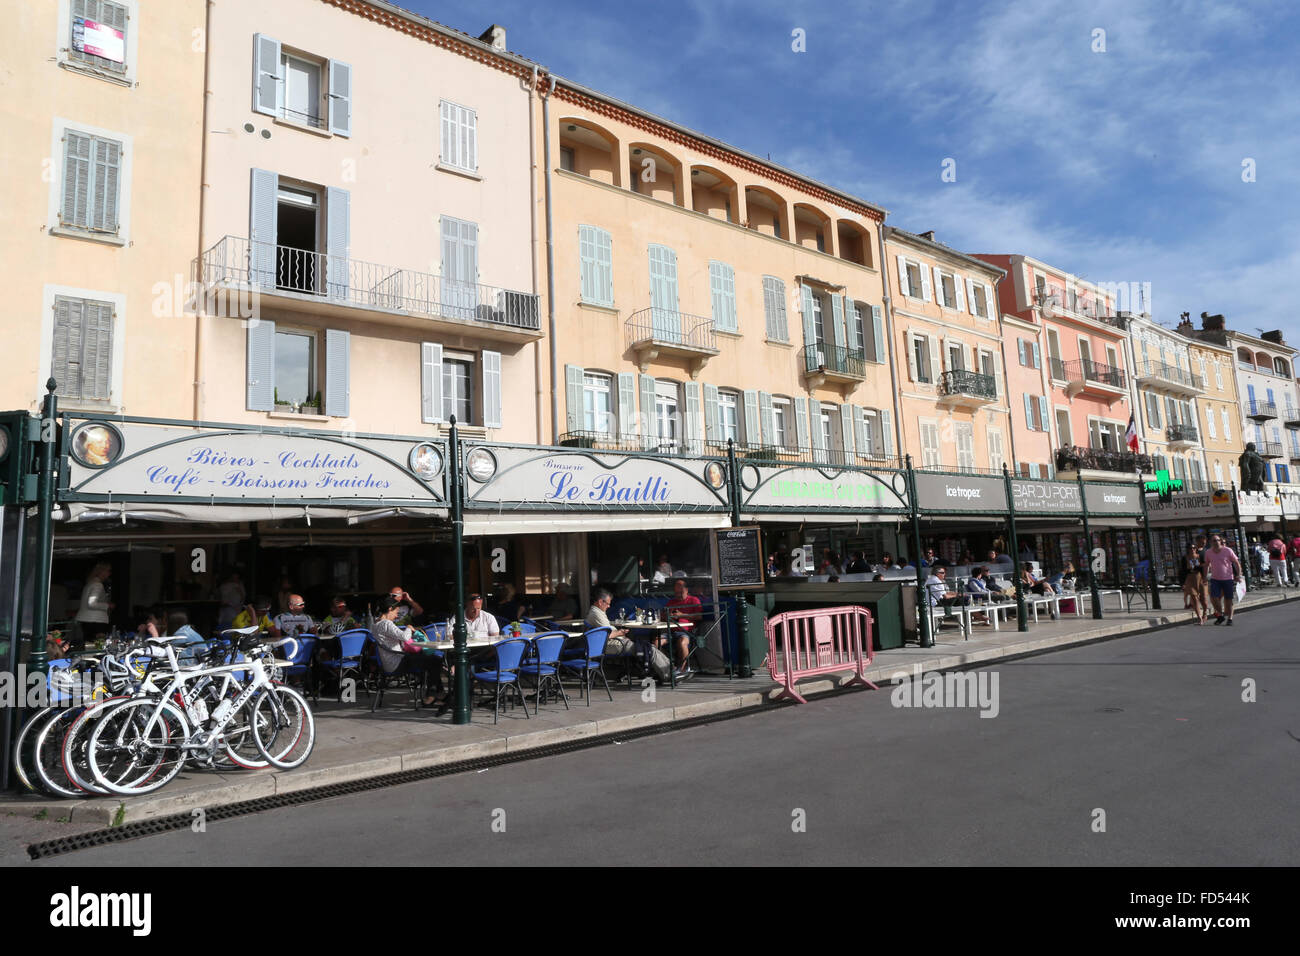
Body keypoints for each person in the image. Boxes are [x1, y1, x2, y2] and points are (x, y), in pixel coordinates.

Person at [371, 595, 443, 709]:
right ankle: (432, 697)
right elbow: (405, 637)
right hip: (397, 662)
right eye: (396, 612)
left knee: (430, 660)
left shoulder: (375, 625)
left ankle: (437, 695)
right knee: (435, 660)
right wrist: (409, 627)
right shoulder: (386, 624)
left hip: (388, 663)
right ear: (390, 609)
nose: (396, 616)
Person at [585, 588, 671, 683]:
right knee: (648, 649)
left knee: (648, 647)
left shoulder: (598, 612)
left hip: (614, 643)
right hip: (610, 645)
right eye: (608, 603)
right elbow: (607, 635)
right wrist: (620, 632)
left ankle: (668, 670)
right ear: (601, 602)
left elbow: (605, 632)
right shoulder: (596, 613)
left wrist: (620, 633)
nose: (609, 606)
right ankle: (668, 674)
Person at [664, 578, 702, 677]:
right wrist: (667, 615)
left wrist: (682, 615)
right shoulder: (671, 602)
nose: (678, 594)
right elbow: (663, 615)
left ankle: (683, 668)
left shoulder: (694, 600)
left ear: (686, 590)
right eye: (676, 592)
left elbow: (699, 616)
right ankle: (667, 667)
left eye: (680, 592)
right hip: (670, 631)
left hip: (686, 632)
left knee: (682, 642)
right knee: (656, 642)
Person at [74, 562, 114, 651]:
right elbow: (92, 603)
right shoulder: (98, 585)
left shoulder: (90, 583)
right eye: (108, 571)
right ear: (102, 572)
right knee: (98, 647)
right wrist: (108, 605)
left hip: (86, 619)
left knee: (88, 645)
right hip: (96, 621)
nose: (109, 573)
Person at [1205, 534, 1243, 625]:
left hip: (1228, 578)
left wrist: (1239, 575)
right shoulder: (1208, 552)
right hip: (1215, 579)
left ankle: (1230, 619)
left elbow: (1236, 563)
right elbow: (1206, 564)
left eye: (1218, 540)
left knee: (1228, 599)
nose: (1217, 542)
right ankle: (1221, 615)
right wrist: (1205, 576)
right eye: (1214, 540)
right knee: (1214, 597)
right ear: (1211, 542)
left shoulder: (1228, 550)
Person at [1179, 545, 1208, 624]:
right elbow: (1182, 571)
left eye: (1194, 548)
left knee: (1203, 599)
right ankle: (1199, 617)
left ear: (1196, 549)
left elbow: (1205, 567)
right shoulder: (1185, 558)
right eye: (1190, 548)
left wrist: (1204, 576)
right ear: (1187, 549)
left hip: (1200, 577)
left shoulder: (1200, 556)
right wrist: (1182, 582)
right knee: (1194, 598)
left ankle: (1205, 613)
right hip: (1190, 578)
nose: (1192, 549)